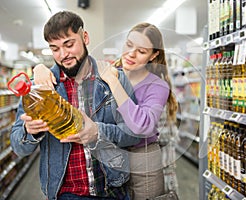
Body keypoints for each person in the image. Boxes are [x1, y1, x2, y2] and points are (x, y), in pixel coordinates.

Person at [34, 22, 178, 200]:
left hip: (142, 157)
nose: (131, 54)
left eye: (141, 51)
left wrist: (114, 82)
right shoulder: (111, 69)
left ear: (153, 55)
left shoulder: (156, 85)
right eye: (129, 45)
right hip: (112, 153)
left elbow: (141, 127)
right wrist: (41, 68)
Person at [10, 10, 141, 200]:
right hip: (66, 194)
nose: (63, 54)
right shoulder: (38, 89)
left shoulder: (115, 79)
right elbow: (18, 146)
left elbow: (134, 133)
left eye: (69, 44)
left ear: (85, 37)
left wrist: (97, 132)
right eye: (55, 49)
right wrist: (31, 131)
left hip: (113, 189)